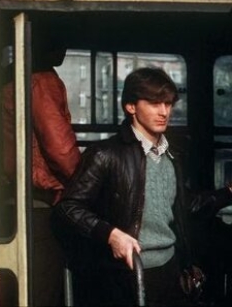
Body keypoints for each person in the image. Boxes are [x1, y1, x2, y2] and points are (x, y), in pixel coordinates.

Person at [54, 67, 232, 306]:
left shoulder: (172, 155)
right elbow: (68, 208)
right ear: (130, 106)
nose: (164, 112)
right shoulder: (105, 154)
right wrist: (111, 235)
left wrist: (228, 193)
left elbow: (183, 205)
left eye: (168, 104)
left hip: (171, 268)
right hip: (126, 275)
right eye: (154, 103)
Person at [2, 36, 81, 305]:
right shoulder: (41, 81)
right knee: (44, 289)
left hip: (15, 192)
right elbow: (59, 147)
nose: (62, 49)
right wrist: (85, 182)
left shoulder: (10, 75)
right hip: (41, 198)